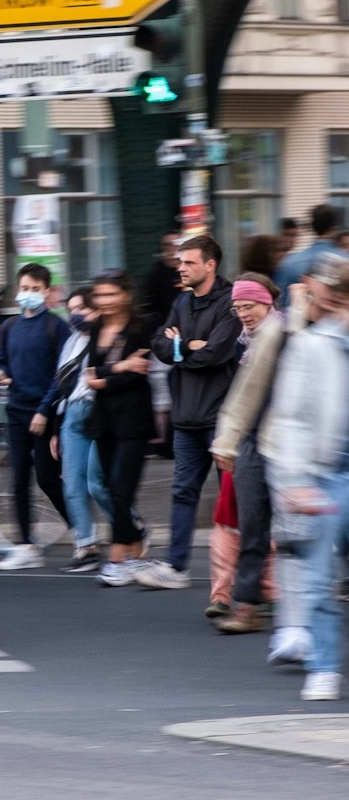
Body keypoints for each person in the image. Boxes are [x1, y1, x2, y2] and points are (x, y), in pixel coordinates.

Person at [261, 252, 349, 702]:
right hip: (329, 473)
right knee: (319, 575)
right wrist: (296, 479)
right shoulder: (312, 346)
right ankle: (325, 666)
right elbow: (291, 417)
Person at [143, 235, 242, 589]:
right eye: (180, 261)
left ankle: (245, 571)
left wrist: (178, 347)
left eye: (188, 262)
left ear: (210, 264)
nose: (180, 267)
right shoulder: (182, 302)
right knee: (183, 491)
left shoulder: (231, 302)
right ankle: (176, 566)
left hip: (221, 419)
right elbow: (158, 344)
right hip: (185, 417)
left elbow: (217, 353)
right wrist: (185, 345)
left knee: (235, 497)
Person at [206, 275, 281, 628]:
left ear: (267, 302)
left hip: (284, 442)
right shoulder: (246, 343)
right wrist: (229, 441)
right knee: (252, 523)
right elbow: (243, 395)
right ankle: (248, 606)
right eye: (237, 309)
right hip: (250, 441)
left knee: (302, 528)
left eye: (248, 306)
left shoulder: (285, 336)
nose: (243, 314)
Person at [80, 272, 160, 588]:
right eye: (99, 295)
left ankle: (117, 559)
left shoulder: (143, 326)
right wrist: (121, 366)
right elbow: (89, 374)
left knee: (119, 488)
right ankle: (137, 543)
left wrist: (108, 377)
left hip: (134, 417)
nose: (104, 301)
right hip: (104, 418)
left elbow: (139, 373)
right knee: (109, 488)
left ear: (126, 294)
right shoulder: (97, 326)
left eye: (111, 294)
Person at [0, 264, 72, 572]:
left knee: (46, 477)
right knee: (18, 480)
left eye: (34, 289)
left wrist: (44, 411)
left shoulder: (56, 326)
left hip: (45, 414)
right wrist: (0, 374)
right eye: (24, 288)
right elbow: (2, 362)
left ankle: (82, 530)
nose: (28, 294)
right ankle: (25, 544)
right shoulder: (9, 327)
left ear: (46, 292)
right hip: (15, 410)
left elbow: (61, 375)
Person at [39, 286, 117, 573]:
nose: (74, 314)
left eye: (80, 308)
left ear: (95, 310)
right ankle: (86, 546)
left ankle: (130, 529)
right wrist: (58, 429)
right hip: (71, 415)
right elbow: (63, 387)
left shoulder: (104, 337)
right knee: (72, 483)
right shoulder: (71, 342)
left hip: (97, 413)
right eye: (70, 309)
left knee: (98, 483)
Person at [275, 205, 342, 305]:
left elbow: (283, 302)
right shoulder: (345, 260)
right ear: (334, 227)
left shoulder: (289, 262)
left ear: (312, 227)